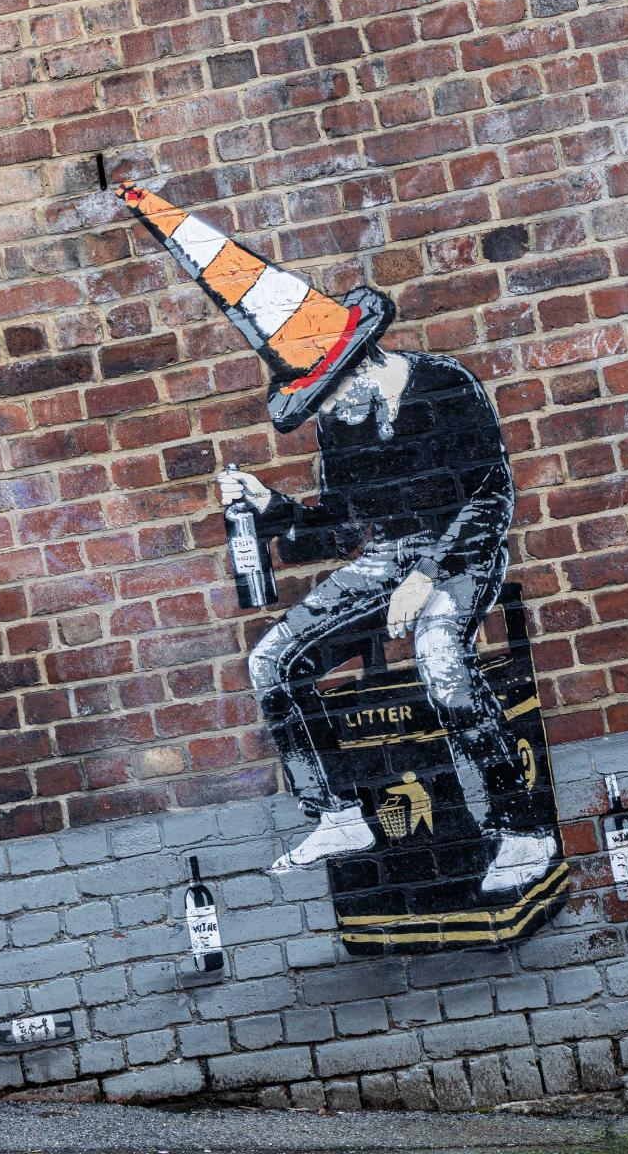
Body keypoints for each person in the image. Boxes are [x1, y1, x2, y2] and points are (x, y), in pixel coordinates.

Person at [218, 346, 558, 894]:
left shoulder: (444, 383)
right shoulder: (341, 416)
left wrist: (426, 575)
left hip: (462, 553)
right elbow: (340, 527)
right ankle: (339, 815)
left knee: (440, 653)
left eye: (328, 396)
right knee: (271, 660)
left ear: (360, 365)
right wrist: (270, 505)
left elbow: (491, 499)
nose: (327, 412)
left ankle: (523, 827)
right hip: (385, 559)